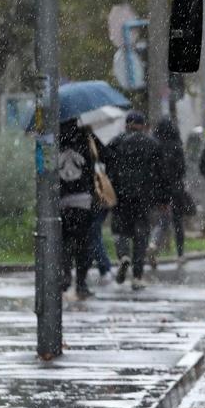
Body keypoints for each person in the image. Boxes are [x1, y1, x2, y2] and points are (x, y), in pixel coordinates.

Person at [105, 111, 165, 290]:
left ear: (127, 124)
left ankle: (123, 255)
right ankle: (137, 276)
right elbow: (160, 173)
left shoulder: (116, 143)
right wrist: (161, 197)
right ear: (143, 125)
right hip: (144, 197)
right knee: (141, 235)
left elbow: (107, 165)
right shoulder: (153, 144)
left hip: (121, 194)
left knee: (121, 229)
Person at [57, 120, 96, 300]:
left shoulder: (53, 139)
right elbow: (96, 162)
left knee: (64, 242)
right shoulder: (84, 139)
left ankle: (65, 275)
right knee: (83, 244)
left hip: (61, 201)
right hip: (83, 201)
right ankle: (81, 283)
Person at [152, 118, 190, 261]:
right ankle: (180, 254)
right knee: (178, 222)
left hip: (160, 190)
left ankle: (153, 245)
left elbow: (154, 169)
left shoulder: (155, 145)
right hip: (176, 189)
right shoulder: (177, 146)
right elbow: (182, 170)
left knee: (161, 221)